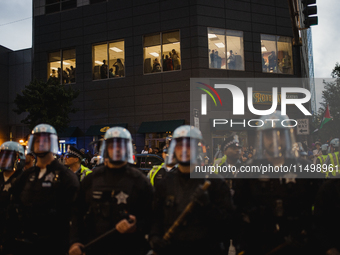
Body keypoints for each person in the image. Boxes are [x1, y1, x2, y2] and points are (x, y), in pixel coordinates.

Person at [233, 111, 321, 254]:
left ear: (288, 136)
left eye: (280, 133)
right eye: (269, 134)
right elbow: (238, 211)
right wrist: (242, 246)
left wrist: (311, 238)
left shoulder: (307, 169)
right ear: (261, 138)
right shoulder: (248, 171)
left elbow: (320, 211)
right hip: (260, 246)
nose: (275, 139)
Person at [149, 125, 233, 255]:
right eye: (180, 146)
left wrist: (208, 206)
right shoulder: (164, 184)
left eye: (189, 146)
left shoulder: (215, 183)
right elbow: (155, 218)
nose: (184, 150)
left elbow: (228, 224)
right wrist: (154, 237)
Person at [69, 127, 153, 255]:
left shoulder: (140, 181)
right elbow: (77, 214)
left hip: (131, 249)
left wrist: (137, 225)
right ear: (105, 149)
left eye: (121, 146)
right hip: (95, 248)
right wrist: (75, 241)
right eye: (112, 146)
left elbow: (154, 218)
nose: (117, 149)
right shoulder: (91, 180)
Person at [9, 124, 79, 255]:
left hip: (55, 245)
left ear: (52, 143)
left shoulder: (66, 177)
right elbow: (12, 207)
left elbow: (75, 215)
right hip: (24, 244)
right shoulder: (26, 175)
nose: (40, 144)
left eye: (44, 140)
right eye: (36, 140)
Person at [0, 141, 25, 254]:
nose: (4, 159)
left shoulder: (25, 180)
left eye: (8, 156)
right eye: (2, 156)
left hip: (16, 234)